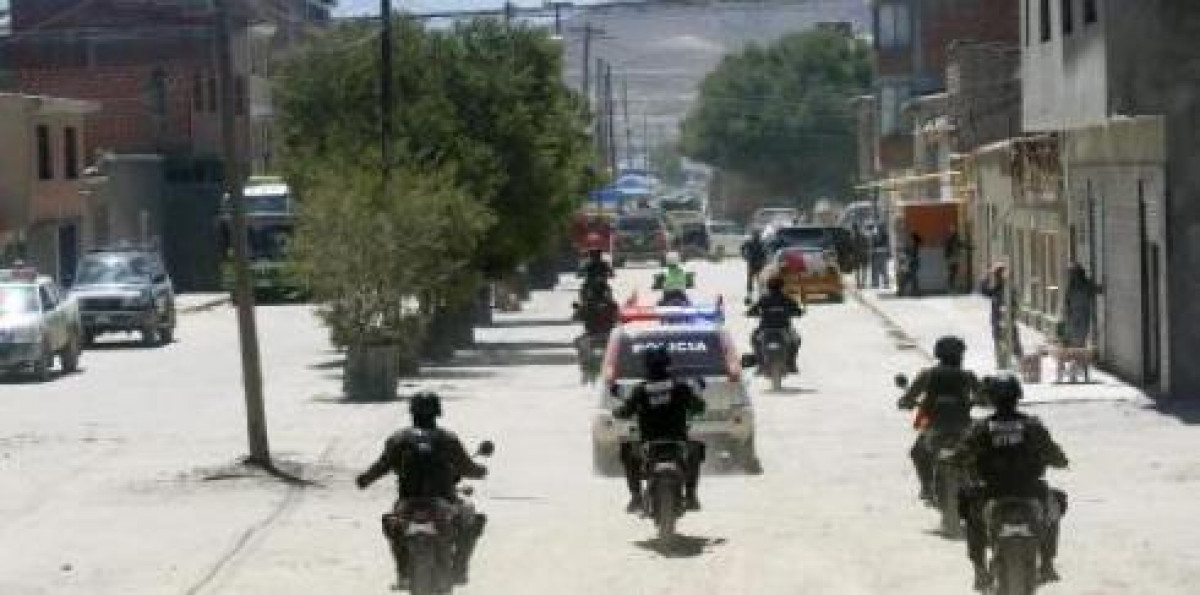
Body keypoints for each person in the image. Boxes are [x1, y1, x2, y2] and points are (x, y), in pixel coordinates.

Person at [356, 393, 489, 588]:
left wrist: (365, 479)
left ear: (412, 411)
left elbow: (382, 465)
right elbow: (466, 466)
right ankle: (460, 568)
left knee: (392, 523)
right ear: (437, 412)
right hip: (443, 501)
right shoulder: (448, 438)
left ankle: (403, 572)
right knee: (473, 518)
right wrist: (480, 471)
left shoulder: (398, 439)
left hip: (408, 503)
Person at [955, 374, 1068, 590]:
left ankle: (979, 569)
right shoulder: (1033, 426)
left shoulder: (981, 427)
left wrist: (958, 461)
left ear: (991, 399)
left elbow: (961, 455)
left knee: (969, 510)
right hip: (1030, 491)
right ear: (1017, 397)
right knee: (1056, 505)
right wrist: (1059, 461)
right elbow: (1056, 457)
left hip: (992, 492)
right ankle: (1047, 563)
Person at [613, 346, 707, 513]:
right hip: (677, 442)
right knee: (696, 450)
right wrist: (696, 402)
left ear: (646, 367)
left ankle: (636, 497)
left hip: (650, 444)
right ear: (667, 365)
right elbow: (699, 407)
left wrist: (618, 411)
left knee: (627, 450)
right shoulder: (680, 388)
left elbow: (625, 411)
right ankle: (691, 495)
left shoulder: (640, 390)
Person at [897, 336, 982, 504]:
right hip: (963, 426)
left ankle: (927, 488)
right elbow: (984, 395)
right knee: (980, 450)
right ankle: (978, 483)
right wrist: (981, 399)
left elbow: (908, 398)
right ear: (960, 355)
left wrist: (906, 402)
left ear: (938, 354)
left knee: (917, 453)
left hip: (934, 427)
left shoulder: (927, 375)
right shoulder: (967, 375)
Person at [746, 275, 805, 373]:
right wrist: (799, 312)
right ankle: (791, 363)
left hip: (765, 328)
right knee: (797, 340)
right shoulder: (787, 298)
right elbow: (797, 311)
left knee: (754, 339)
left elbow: (752, 310)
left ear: (768, 287)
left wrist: (750, 313)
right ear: (782, 286)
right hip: (784, 328)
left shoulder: (764, 299)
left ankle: (761, 364)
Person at [981, 263, 1024, 368]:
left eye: (999, 273)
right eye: (997, 274)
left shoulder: (1010, 288)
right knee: (998, 340)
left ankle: (1021, 362)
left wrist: (1012, 314)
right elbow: (984, 291)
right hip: (997, 319)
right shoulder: (996, 288)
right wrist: (988, 275)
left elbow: (1016, 303)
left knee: (1014, 341)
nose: (998, 276)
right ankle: (1001, 362)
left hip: (1008, 319)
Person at [1062, 262, 1099, 348]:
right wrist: (1067, 312)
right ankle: (1076, 349)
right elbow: (1067, 300)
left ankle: (1078, 350)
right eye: (1071, 274)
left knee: (1080, 336)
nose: (1072, 276)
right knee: (1074, 334)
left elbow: (1097, 289)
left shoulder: (1086, 285)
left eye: (1073, 273)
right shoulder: (1071, 286)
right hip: (1074, 314)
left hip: (1082, 314)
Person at [740, 230, 769, 297]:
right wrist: (744, 256)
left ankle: (760, 293)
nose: (757, 236)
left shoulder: (762, 243)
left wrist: (766, 260)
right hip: (753, 263)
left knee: (759, 278)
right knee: (751, 279)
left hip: (759, 263)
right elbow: (742, 248)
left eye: (758, 235)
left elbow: (766, 251)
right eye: (756, 235)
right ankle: (750, 293)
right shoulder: (750, 242)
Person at [945, 226, 966, 293]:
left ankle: (953, 286)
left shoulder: (954, 239)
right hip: (952, 258)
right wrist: (947, 257)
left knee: (954, 272)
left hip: (954, 257)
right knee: (952, 272)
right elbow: (947, 249)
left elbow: (961, 245)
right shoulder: (950, 239)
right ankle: (951, 286)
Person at [870, 225, 891, 289]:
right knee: (881, 269)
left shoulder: (883, 236)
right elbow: (873, 245)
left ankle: (880, 283)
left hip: (880, 254)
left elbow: (887, 245)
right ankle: (879, 283)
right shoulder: (877, 236)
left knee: (881, 269)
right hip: (880, 254)